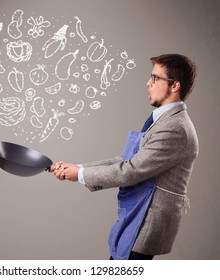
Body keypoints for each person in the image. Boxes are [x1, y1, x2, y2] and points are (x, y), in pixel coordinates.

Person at [50, 54, 199, 260]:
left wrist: (81, 174)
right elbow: (127, 159)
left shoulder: (175, 128)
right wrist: (77, 168)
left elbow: (132, 170)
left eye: (156, 78)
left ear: (175, 86)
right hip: (137, 216)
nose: (148, 83)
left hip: (145, 221)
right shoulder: (165, 121)